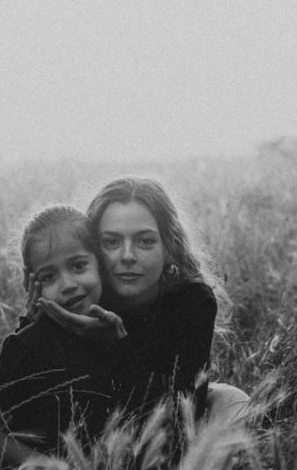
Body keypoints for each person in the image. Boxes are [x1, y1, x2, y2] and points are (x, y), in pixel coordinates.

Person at [30, 177, 250, 438]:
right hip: (95, 429)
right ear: (92, 250)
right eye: (111, 242)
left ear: (169, 246)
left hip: (165, 424)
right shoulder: (83, 295)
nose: (127, 256)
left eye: (145, 241)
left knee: (232, 401)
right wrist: (34, 324)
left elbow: (179, 416)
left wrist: (116, 344)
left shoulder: (193, 300)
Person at [0, 204, 150, 469]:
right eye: (49, 276)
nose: (67, 285)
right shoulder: (27, 345)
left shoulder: (119, 329)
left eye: (78, 266)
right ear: (32, 284)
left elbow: (146, 408)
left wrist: (120, 345)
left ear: (101, 265)